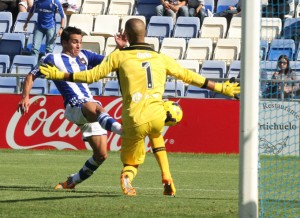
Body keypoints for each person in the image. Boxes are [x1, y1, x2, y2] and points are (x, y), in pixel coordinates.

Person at [39, 18, 240, 196]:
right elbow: (189, 77)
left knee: (130, 163)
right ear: (147, 34)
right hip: (157, 115)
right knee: (156, 138)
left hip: (133, 118)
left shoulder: (120, 57)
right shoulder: (161, 58)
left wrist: (61, 75)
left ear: (126, 35)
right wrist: (221, 87)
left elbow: (91, 76)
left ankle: (126, 175)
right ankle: (167, 177)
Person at [17, 26, 123, 190]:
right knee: (96, 107)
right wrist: (25, 96)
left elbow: (109, 62)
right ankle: (124, 131)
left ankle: (72, 181)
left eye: (80, 42)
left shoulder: (85, 56)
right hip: (75, 105)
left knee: (101, 155)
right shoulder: (52, 58)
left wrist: (119, 48)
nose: (79, 45)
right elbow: (31, 75)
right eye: (75, 42)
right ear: (64, 42)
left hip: (89, 107)